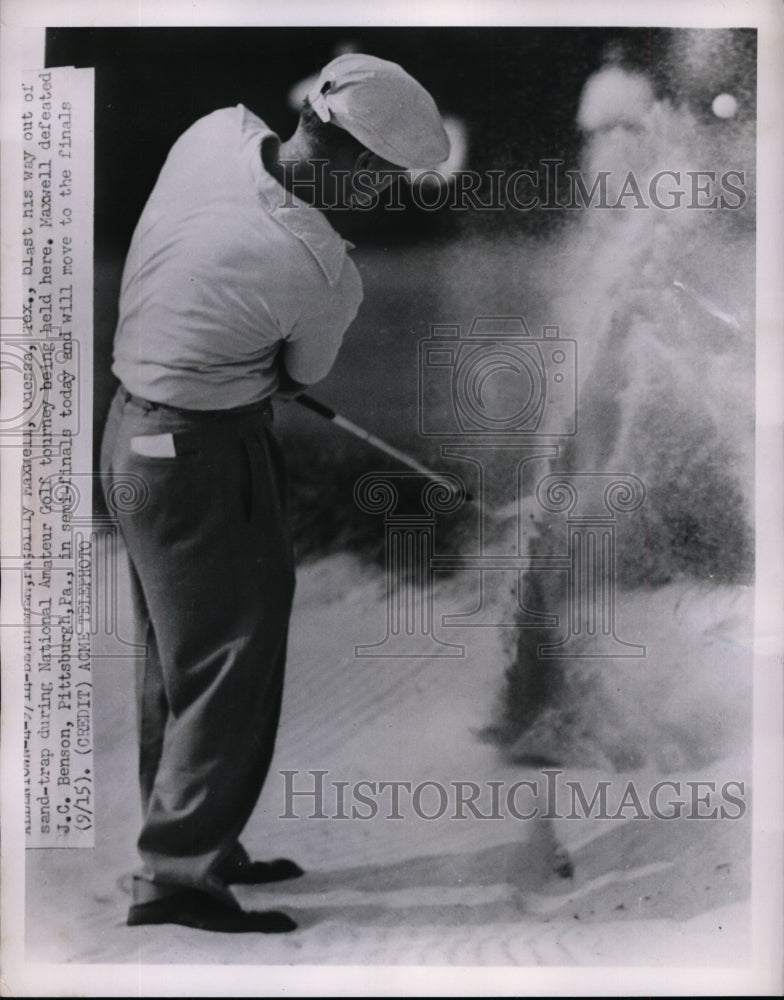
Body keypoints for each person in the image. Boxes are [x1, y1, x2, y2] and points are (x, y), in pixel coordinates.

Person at [100, 54, 449, 933]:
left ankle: (192, 840)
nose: (386, 199)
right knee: (232, 659)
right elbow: (302, 371)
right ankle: (178, 875)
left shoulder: (212, 132)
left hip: (125, 440)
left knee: (181, 655)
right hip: (202, 456)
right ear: (359, 165)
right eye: (391, 181)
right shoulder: (322, 265)